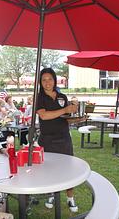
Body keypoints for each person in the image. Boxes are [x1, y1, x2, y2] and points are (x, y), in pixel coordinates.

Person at [36, 68, 81, 213]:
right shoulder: (39, 97)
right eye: (44, 80)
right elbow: (44, 116)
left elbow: (65, 119)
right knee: (50, 169)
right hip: (47, 139)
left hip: (63, 137)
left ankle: (70, 197)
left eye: (50, 79)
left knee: (68, 168)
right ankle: (51, 194)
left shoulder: (62, 96)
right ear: (40, 82)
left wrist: (77, 119)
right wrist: (64, 110)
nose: (47, 82)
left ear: (55, 80)